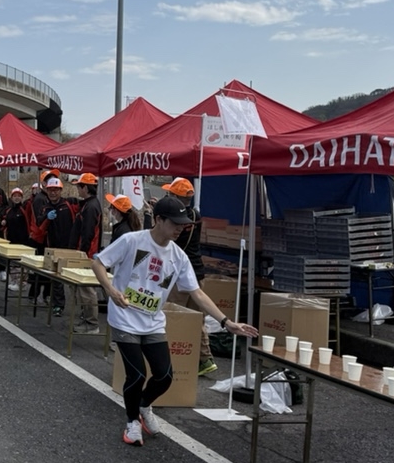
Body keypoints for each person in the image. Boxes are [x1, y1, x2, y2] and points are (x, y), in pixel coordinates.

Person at [92, 195, 260, 447]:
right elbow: (98, 263)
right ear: (158, 219)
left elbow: (197, 293)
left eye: (184, 224)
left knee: (165, 376)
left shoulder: (178, 256)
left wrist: (227, 322)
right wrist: (111, 291)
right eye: (175, 223)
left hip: (152, 322)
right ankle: (132, 422)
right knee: (137, 374)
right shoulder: (132, 241)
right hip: (124, 319)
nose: (181, 228)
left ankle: (144, 405)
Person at [162, 178, 217, 377]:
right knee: (197, 318)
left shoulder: (176, 221)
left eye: (170, 194)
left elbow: (168, 243)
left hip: (179, 274)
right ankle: (205, 358)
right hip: (197, 271)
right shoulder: (195, 215)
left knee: (172, 316)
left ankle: (171, 357)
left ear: (175, 196)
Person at [69, 173, 104, 334]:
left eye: (79, 186)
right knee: (83, 289)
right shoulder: (88, 205)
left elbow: (88, 233)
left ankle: (91, 323)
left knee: (87, 289)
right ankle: (87, 319)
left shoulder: (91, 207)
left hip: (87, 254)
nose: (77, 189)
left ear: (85, 188)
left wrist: (82, 253)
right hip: (85, 252)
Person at [42, 177, 77, 316]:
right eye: (50, 190)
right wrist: (46, 218)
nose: (53, 193)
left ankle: (79, 306)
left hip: (69, 246)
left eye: (55, 190)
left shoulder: (68, 204)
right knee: (56, 278)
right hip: (53, 247)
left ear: (60, 191)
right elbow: (39, 225)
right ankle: (58, 305)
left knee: (73, 278)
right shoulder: (45, 208)